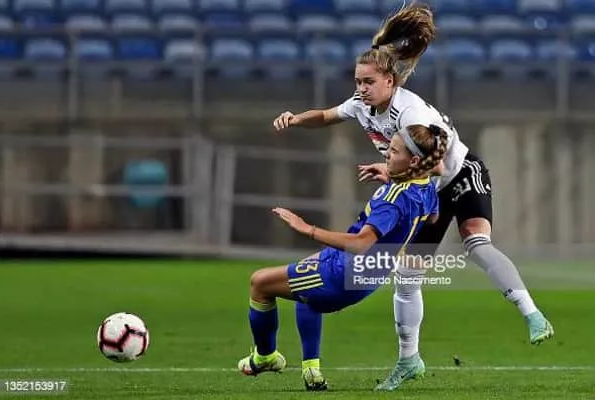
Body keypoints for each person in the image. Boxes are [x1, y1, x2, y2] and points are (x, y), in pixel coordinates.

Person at [272, 2, 554, 392]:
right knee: (407, 276)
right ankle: (409, 360)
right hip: (423, 189)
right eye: (357, 81)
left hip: (459, 175)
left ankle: (533, 314)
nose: (360, 88)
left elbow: (437, 165)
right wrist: (295, 118)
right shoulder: (362, 106)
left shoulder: (411, 114)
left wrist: (391, 172)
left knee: (476, 244)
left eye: (368, 82)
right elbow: (327, 115)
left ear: (390, 81)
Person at [237, 124, 446, 391]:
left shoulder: (392, 198)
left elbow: (360, 244)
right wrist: (396, 184)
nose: (386, 155)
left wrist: (307, 229)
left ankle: (265, 357)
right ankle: (311, 370)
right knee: (303, 286)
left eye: (394, 151)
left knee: (260, 283)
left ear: (414, 161)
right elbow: (433, 217)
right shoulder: (426, 188)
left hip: (344, 271)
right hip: (372, 272)